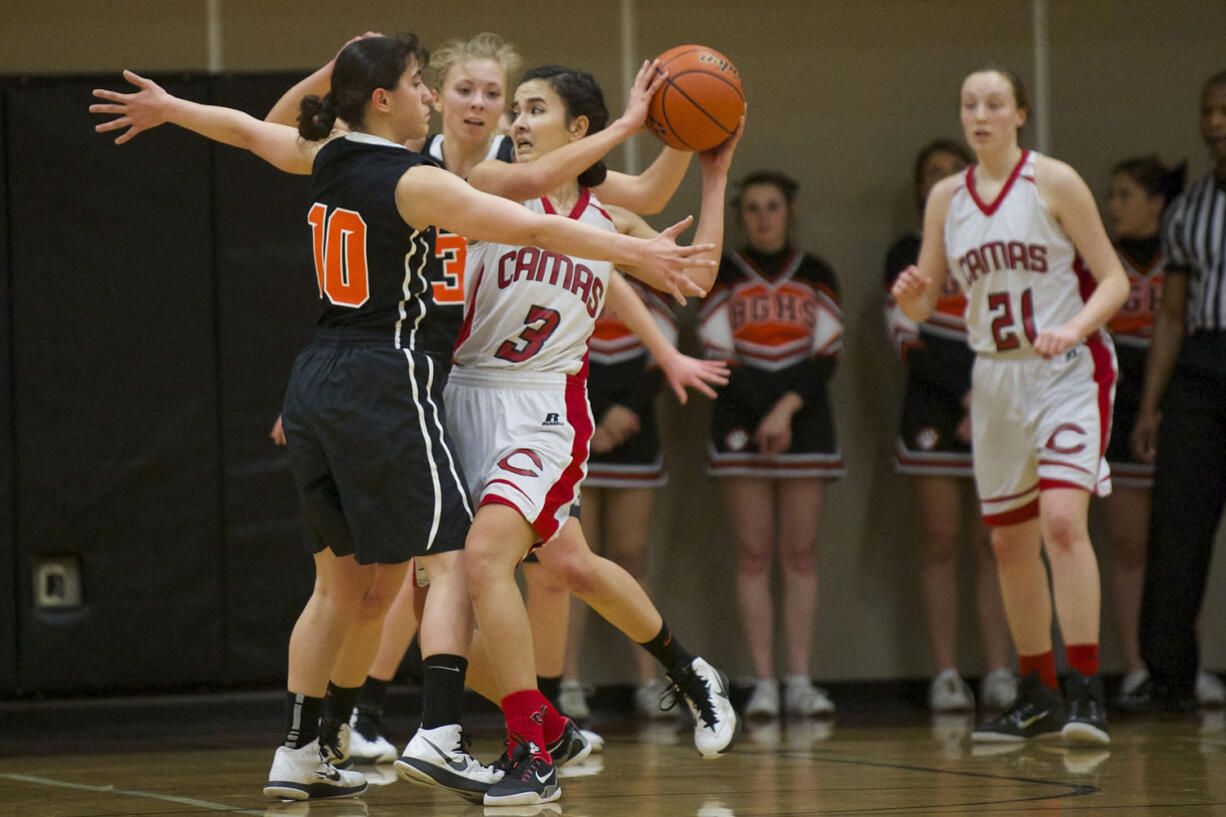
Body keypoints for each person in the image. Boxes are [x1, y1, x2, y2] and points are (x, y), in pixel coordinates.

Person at [89, 35, 711, 802]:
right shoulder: (416, 180)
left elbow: (251, 129)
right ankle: (444, 734)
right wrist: (634, 250)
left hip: (317, 375)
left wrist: (170, 107)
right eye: (424, 84)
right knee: (453, 555)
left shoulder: (326, 156)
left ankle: (301, 747)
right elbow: (538, 225)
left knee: (344, 584)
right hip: (390, 374)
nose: (434, 95)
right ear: (384, 100)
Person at [259, 33, 712, 761]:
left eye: (499, 96)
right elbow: (543, 220)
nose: (478, 104)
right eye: (461, 88)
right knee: (414, 580)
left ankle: (419, 727)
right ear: (426, 97)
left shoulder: (518, 178)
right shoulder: (432, 169)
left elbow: (608, 231)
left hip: (464, 388)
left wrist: (665, 347)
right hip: (422, 381)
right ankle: (401, 721)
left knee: (491, 569)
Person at [449, 64, 744, 806]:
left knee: (488, 558)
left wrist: (710, 170)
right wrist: (639, 127)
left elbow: (695, 272)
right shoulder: (485, 177)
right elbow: (611, 181)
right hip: (460, 398)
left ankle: (528, 751)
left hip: (544, 406)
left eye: (534, 109)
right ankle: (681, 672)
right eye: (514, 107)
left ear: (578, 128)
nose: (514, 119)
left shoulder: (603, 209)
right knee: (562, 567)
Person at [891, 65, 1129, 745]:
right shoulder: (947, 197)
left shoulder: (1054, 181)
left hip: (1065, 370)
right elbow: (927, 297)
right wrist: (913, 297)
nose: (980, 114)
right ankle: (1038, 691)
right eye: (969, 103)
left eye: (995, 102)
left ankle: (1086, 689)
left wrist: (1076, 328)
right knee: (1009, 541)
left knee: (1061, 521)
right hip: (993, 379)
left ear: (1021, 113)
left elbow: (1113, 279)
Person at [697, 170, 842, 718]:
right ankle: (763, 682)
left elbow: (827, 353)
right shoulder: (722, 275)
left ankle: (800, 678)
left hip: (805, 420)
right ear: (739, 216)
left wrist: (785, 409)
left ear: (789, 212)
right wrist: (763, 411)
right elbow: (717, 352)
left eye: (772, 207)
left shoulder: (819, 274)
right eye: (752, 208)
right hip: (738, 419)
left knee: (800, 553)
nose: (763, 217)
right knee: (753, 554)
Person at [884, 140, 1015, 713]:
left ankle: (1001, 671)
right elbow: (905, 339)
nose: (938, 180)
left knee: (997, 544)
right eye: (928, 173)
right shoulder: (906, 252)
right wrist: (965, 397)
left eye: (948, 171)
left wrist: (986, 398)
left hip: (997, 402)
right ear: (922, 190)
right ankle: (944, 672)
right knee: (940, 544)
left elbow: (1014, 327)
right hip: (934, 408)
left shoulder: (994, 246)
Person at [1123, 70, 1226, 713]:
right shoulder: (1189, 210)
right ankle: (1167, 678)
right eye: (1208, 110)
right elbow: (1169, 315)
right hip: (1203, 366)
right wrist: (1153, 404)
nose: (1215, 122)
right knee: (1178, 528)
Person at [560, 276, 681, 722]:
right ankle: (567, 682)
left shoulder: (649, 284)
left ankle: (649, 682)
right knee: (575, 562)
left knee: (631, 556)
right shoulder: (571, 269)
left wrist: (625, 411)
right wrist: (592, 416)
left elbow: (664, 353)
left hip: (635, 427)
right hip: (574, 422)